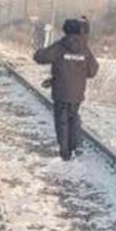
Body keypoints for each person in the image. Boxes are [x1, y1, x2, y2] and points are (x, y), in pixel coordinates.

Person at [33, 17, 99, 161]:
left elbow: (40, 57)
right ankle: (75, 147)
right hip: (77, 93)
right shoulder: (85, 49)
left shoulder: (60, 46)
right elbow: (92, 71)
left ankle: (65, 152)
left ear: (66, 30)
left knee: (62, 121)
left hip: (61, 92)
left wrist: (38, 51)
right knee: (73, 117)